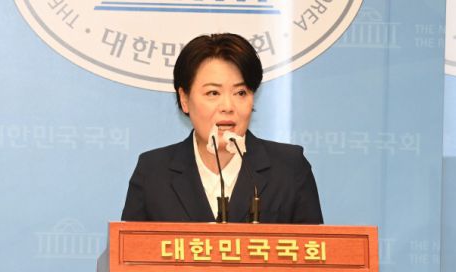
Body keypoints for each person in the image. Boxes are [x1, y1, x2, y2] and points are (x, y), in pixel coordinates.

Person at [121, 33, 323, 224]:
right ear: (184, 99)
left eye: (240, 93)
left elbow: (316, 246)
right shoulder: (153, 172)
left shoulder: (289, 168)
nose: (227, 106)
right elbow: (127, 247)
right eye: (213, 93)